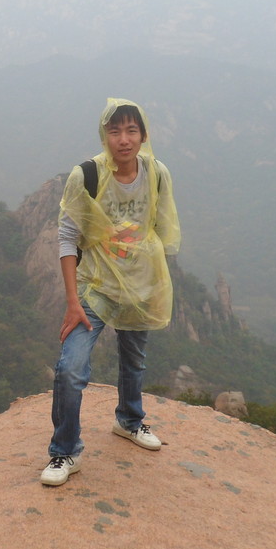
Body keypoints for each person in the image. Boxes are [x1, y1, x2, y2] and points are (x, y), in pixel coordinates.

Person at [41, 97, 181, 486]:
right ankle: (64, 451)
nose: (124, 139)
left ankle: (130, 421)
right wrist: (72, 302)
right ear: (104, 136)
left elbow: (161, 229)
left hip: (139, 284)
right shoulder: (86, 175)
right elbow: (68, 238)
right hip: (96, 287)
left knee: (134, 361)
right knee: (71, 369)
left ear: (143, 135)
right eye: (115, 131)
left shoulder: (156, 173)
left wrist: (157, 282)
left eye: (131, 130)